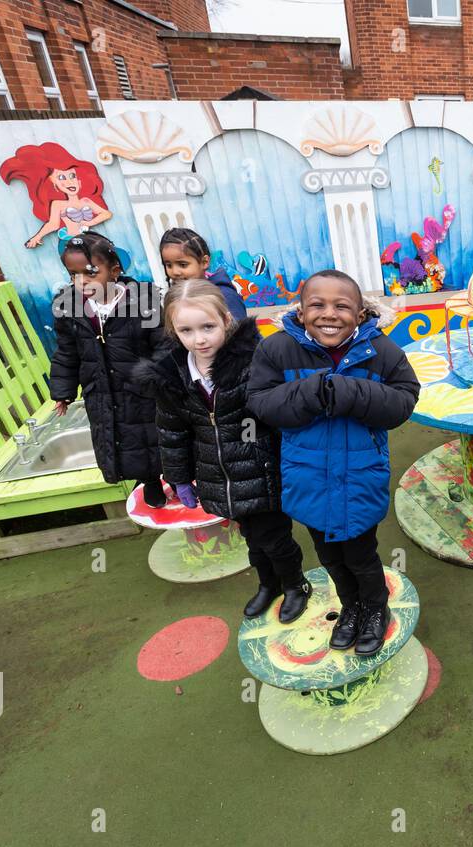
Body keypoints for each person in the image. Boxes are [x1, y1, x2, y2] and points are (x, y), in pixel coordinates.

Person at [247, 270, 420, 656]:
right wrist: (313, 391)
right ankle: (351, 607)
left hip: (359, 479)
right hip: (307, 480)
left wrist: (347, 390)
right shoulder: (276, 350)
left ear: (360, 314)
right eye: (318, 305)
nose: (330, 314)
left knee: (361, 555)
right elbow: (260, 402)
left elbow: (404, 400)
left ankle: (376, 608)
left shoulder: (382, 350)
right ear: (302, 312)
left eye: (342, 306)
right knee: (328, 556)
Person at [142, 279, 310, 623]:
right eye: (186, 330)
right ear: (174, 331)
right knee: (250, 536)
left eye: (208, 327)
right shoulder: (173, 375)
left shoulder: (254, 361)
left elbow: (278, 412)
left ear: (226, 320)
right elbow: (172, 429)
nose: (199, 339)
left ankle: (295, 584)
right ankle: (268, 584)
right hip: (217, 473)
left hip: (262, 467)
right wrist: (180, 477)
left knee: (275, 537)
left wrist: (287, 461)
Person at [49, 232, 167, 505]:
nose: (82, 282)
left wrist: (156, 376)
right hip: (102, 388)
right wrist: (63, 390)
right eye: (74, 275)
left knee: (153, 434)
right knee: (123, 438)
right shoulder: (69, 308)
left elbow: (163, 344)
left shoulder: (142, 302)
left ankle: (172, 476)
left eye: (90, 273)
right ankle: (149, 483)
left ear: (114, 271)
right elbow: (67, 353)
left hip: (141, 387)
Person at [158, 226, 247, 321]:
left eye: (183, 264)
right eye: (169, 265)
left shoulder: (225, 296)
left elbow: (241, 333)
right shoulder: (175, 297)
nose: (175, 272)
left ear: (204, 262)